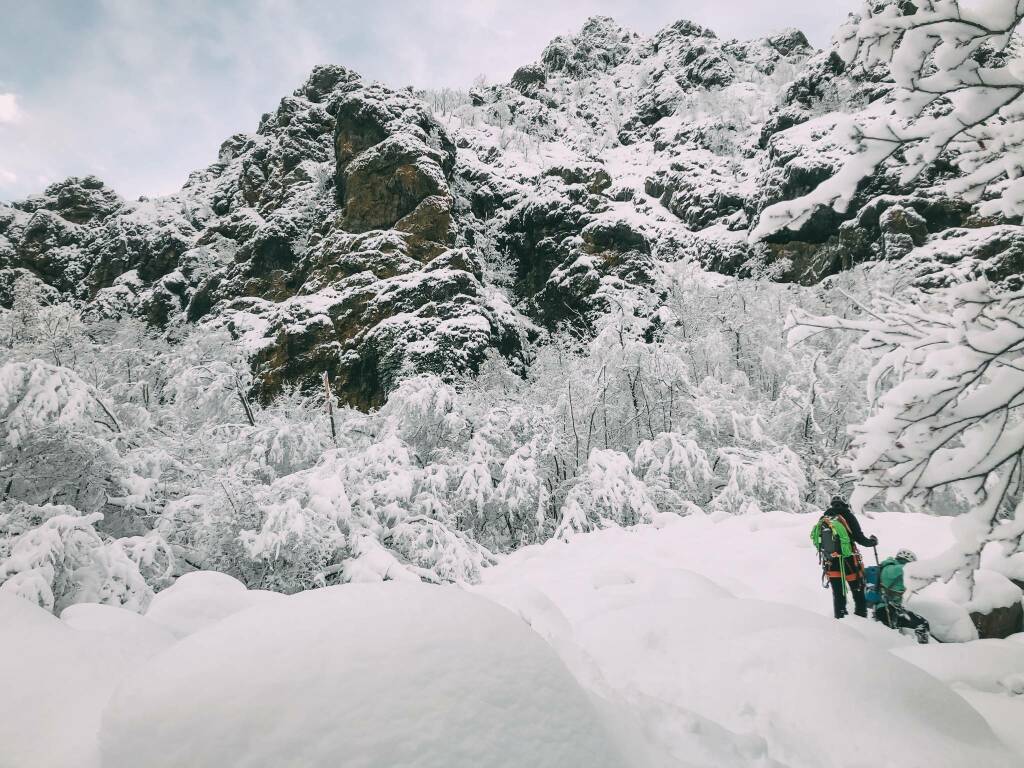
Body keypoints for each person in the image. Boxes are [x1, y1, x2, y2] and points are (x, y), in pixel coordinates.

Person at [810, 496, 878, 619]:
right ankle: (861, 621)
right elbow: (859, 538)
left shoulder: (824, 518)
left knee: (838, 595)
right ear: (844, 504)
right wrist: (872, 542)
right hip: (849, 562)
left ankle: (840, 623)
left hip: (831, 562)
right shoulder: (848, 516)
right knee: (858, 594)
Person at [874, 549, 930, 644]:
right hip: (885, 610)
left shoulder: (898, 572)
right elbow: (899, 570)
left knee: (922, 624)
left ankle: (923, 650)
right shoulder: (889, 568)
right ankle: (924, 651)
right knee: (921, 624)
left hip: (892, 610)